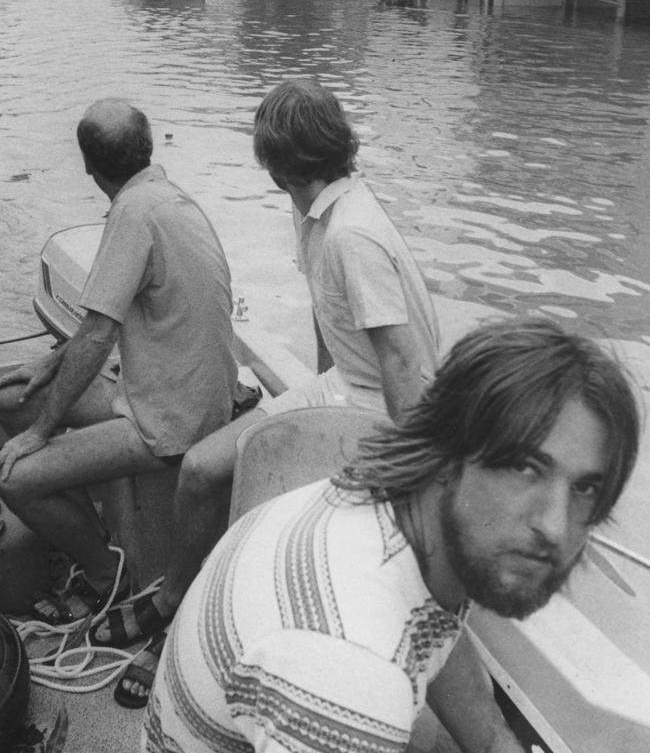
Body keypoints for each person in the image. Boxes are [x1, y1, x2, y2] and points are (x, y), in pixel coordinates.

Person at [142, 317, 640, 753]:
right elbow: (360, 676)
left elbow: (451, 661)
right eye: (525, 468)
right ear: (447, 452)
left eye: (586, 488)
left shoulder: (391, 516)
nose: (555, 526)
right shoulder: (350, 669)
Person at [97, 78, 440, 705]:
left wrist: (415, 473)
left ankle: (186, 619)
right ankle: (175, 599)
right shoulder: (322, 209)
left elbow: (404, 362)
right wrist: (307, 401)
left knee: (234, 492)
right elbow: (331, 321)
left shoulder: (349, 235)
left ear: (278, 162)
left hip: (376, 410)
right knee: (203, 469)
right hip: (343, 387)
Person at [0, 99, 237, 626]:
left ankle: (108, 575)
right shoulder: (166, 197)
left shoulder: (132, 214)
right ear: (147, 147)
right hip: (179, 393)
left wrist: (42, 431)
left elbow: (98, 336)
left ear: (88, 165)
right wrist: (49, 363)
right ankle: (96, 538)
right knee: (11, 400)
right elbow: (98, 326)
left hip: (167, 421)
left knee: (15, 477)